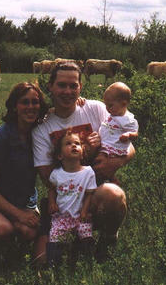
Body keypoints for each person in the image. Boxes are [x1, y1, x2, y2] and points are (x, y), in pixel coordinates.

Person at [32, 61, 134, 264]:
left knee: (113, 195)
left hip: (95, 192)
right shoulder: (42, 127)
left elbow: (129, 146)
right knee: (43, 262)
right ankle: (71, 236)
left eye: (73, 86)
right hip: (64, 197)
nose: (68, 91)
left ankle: (107, 239)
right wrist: (90, 151)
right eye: (61, 85)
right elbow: (47, 177)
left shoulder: (96, 109)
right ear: (50, 86)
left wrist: (114, 164)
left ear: (81, 87)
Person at [0, 82, 48, 260]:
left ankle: (8, 250)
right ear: (14, 106)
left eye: (35, 102)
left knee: (29, 232)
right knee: (3, 230)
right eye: (24, 102)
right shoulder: (0, 138)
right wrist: (19, 215)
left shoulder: (39, 135)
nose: (30, 107)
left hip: (24, 203)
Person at [46, 130, 97, 266]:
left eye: (77, 143)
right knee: (55, 235)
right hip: (61, 216)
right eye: (68, 144)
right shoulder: (57, 174)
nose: (74, 146)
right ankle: (54, 266)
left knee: (85, 232)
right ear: (60, 155)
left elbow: (89, 194)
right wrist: (51, 202)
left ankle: (88, 262)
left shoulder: (88, 172)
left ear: (82, 152)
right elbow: (51, 189)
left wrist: (85, 211)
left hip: (80, 216)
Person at [95, 81, 139, 185]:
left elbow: (135, 133)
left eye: (110, 105)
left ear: (123, 104)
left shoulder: (128, 120)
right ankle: (108, 179)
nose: (107, 109)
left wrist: (128, 135)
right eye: (106, 105)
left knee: (98, 160)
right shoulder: (114, 113)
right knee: (98, 160)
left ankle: (110, 179)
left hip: (114, 146)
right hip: (106, 144)